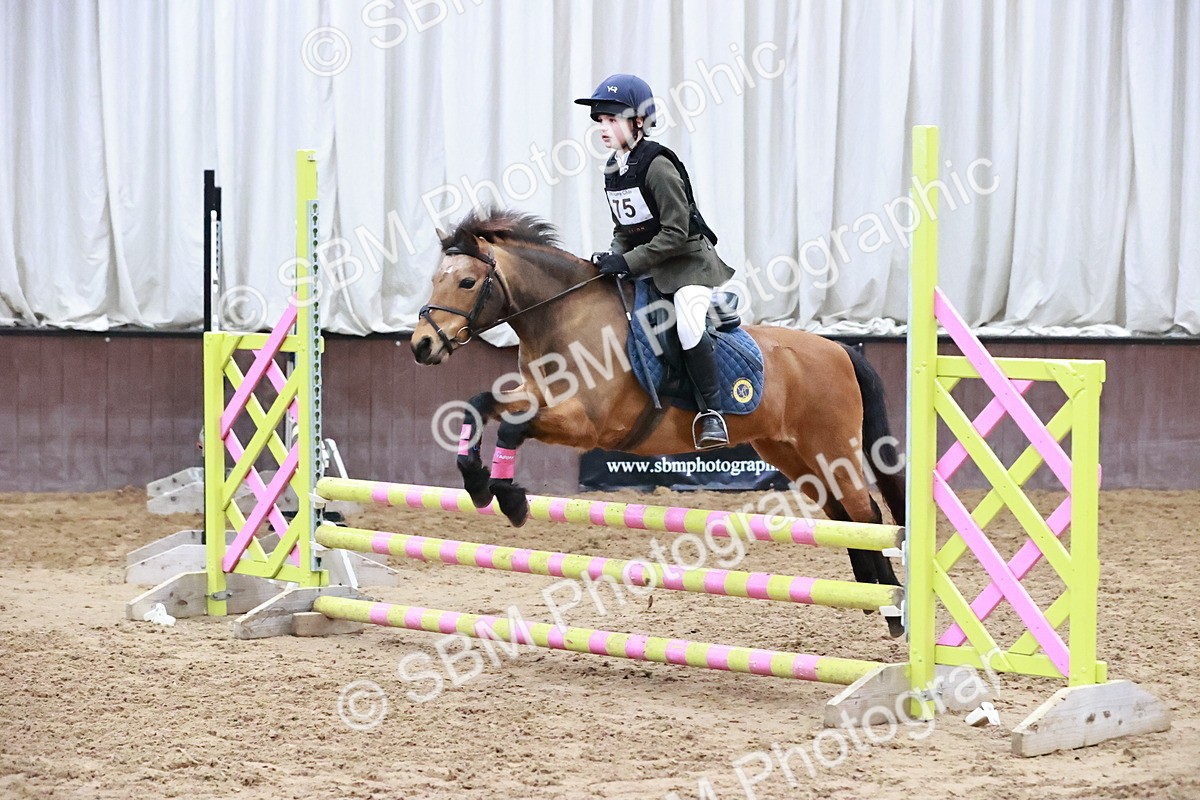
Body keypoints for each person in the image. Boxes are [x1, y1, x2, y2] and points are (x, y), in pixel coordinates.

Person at [575, 73, 736, 449]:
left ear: (639, 122)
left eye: (612, 120)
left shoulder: (658, 165)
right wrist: (614, 255)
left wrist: (628, 261)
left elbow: (676, 233)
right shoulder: (614, 168)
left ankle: (712, 413)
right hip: (649, 264)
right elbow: (625, 227)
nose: (603, 127)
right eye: (601, 120)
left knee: (688, 322)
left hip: (688, 265)